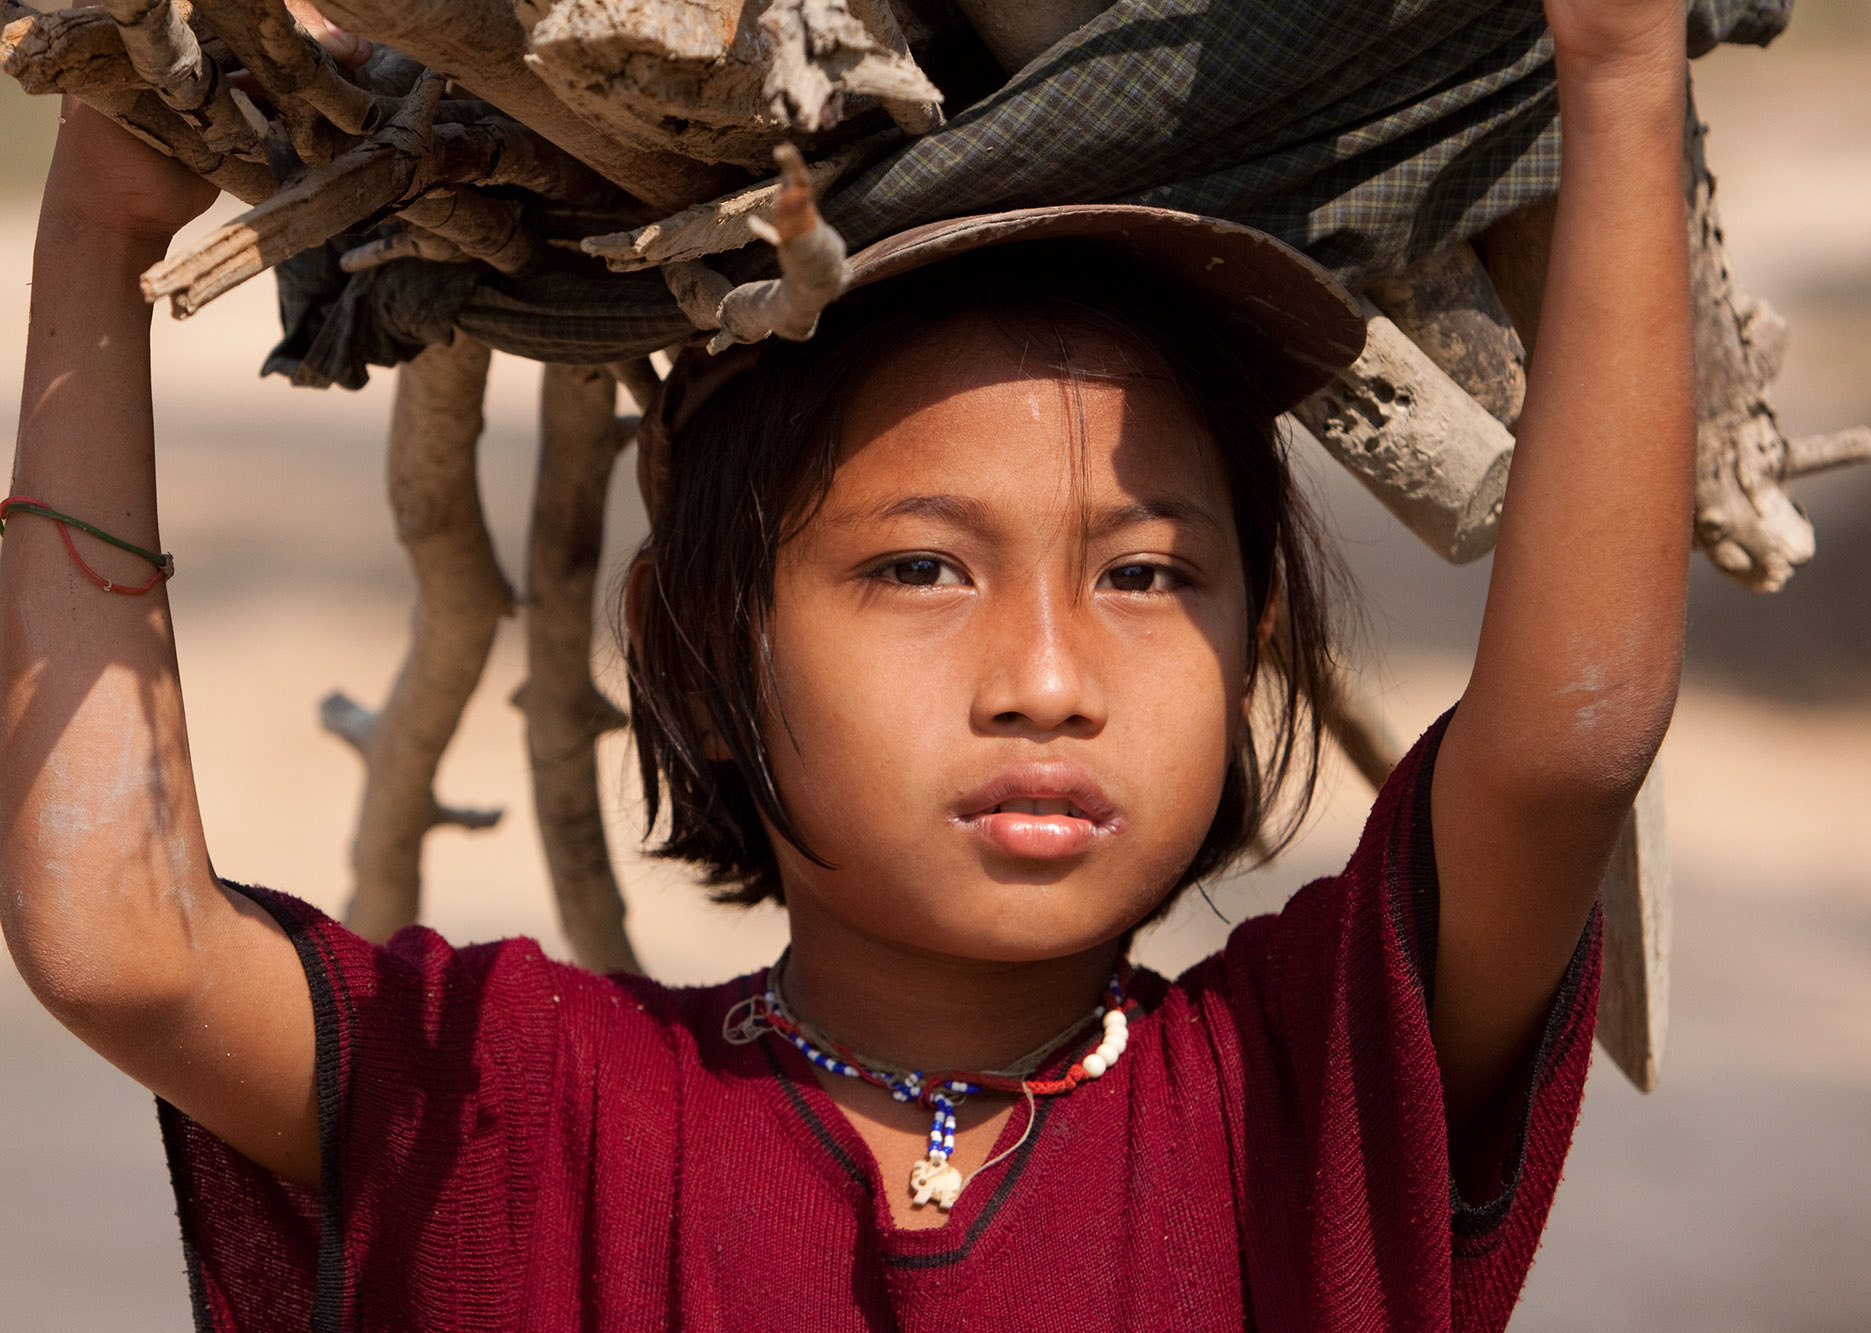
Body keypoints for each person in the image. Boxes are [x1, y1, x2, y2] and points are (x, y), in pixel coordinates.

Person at [0, 0, 1693, 1327]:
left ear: (1254, 638)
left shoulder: (1300, 1105)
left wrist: (1615, 81)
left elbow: (1564, 749)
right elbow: (118, 938)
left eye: (1148, 571)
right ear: (695, 632)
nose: (1048, 676)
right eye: (920, 567)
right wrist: (95, 239)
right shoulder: (539, 1116)